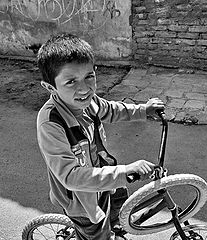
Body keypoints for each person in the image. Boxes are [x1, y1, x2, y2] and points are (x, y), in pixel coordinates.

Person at [36, 33, 165, 240]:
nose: (85, 88)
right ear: (51, 87)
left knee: (119, 210)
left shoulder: (89, 101)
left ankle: (113, 227)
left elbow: (112, 110)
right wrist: (125, 171)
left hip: (104, 178)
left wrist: (143, 110)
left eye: (89, 76)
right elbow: (70, 177)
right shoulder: (51, 123)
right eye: (71, 82)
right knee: (97, 235)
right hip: (81, 199)